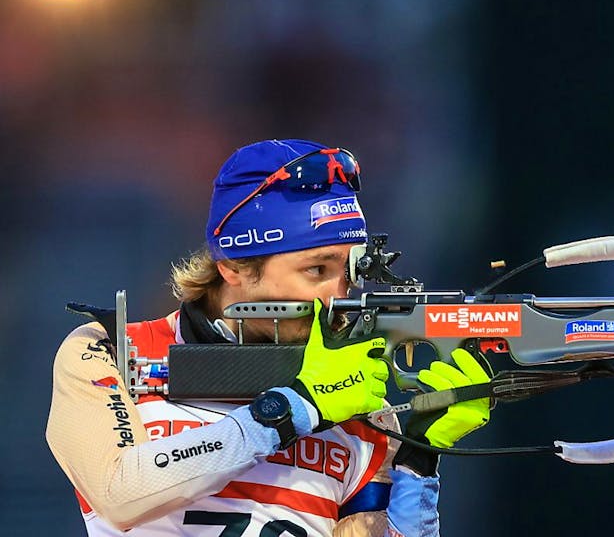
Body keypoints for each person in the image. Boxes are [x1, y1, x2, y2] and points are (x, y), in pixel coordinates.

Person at [46, 139, 491, 536]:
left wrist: (419, 461)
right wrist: (294, 409)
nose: (339, 296)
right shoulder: (109, 350)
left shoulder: (359, 403)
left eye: (350, 271)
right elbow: (120, 493)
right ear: (233, 268)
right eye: (316, 270)